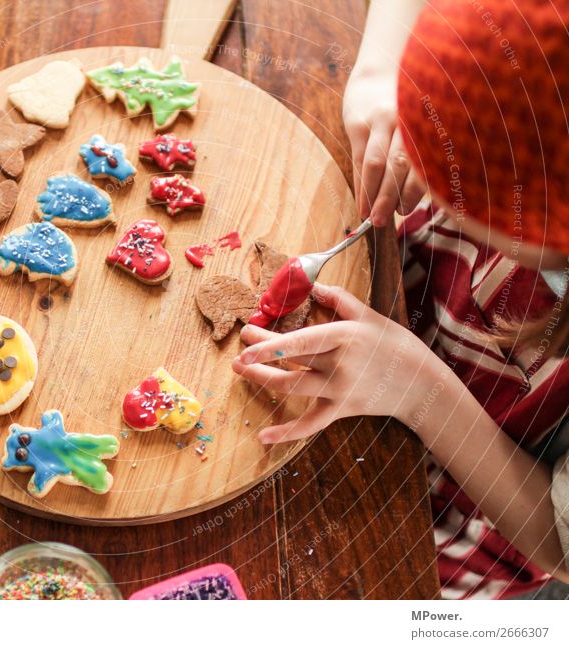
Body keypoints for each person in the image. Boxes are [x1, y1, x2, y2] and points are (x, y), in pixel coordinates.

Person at [233, 0, 569, 598]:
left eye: (459, 192)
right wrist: (382, 75)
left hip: (474, 495)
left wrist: (416, 388)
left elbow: (555, 541)